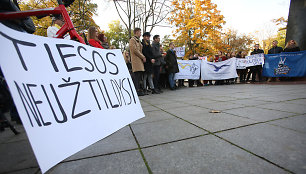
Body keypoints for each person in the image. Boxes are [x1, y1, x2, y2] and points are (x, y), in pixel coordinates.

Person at [129, 28, 146, 96]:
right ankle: (136, 90)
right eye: (139, 32)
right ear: (136, 32)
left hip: (139, 60)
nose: (140, 34)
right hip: (136, 60)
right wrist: (143, 57)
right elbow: (135, 50)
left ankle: (139, 89)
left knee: (139, 76)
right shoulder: (132, 40)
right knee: (136, 75)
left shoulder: (138, 40)